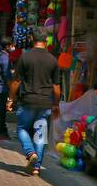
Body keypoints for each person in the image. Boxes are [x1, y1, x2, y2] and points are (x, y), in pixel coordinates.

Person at [8, 32, 61, 175]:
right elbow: (56, 87)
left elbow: (16, 81)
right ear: (46, 41)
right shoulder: (53, 60)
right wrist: (56, 104)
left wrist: (10, 99)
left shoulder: (25, 57)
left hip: (28, 101)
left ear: (31, 39)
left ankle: (31, 153)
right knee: (40, 134)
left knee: (22, 129)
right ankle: (37, 167)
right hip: (45, 103)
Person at [0, 35, 17, 139]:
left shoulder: (1, 55)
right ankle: (1, 133)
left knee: (0, 111)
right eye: (12, 45)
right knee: (0, 112)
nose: (13, 47)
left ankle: (2, 132)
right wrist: (12, 90)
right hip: (2, 88)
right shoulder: (4, 58)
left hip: (1, 87)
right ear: (7, 46)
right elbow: (6, 76)